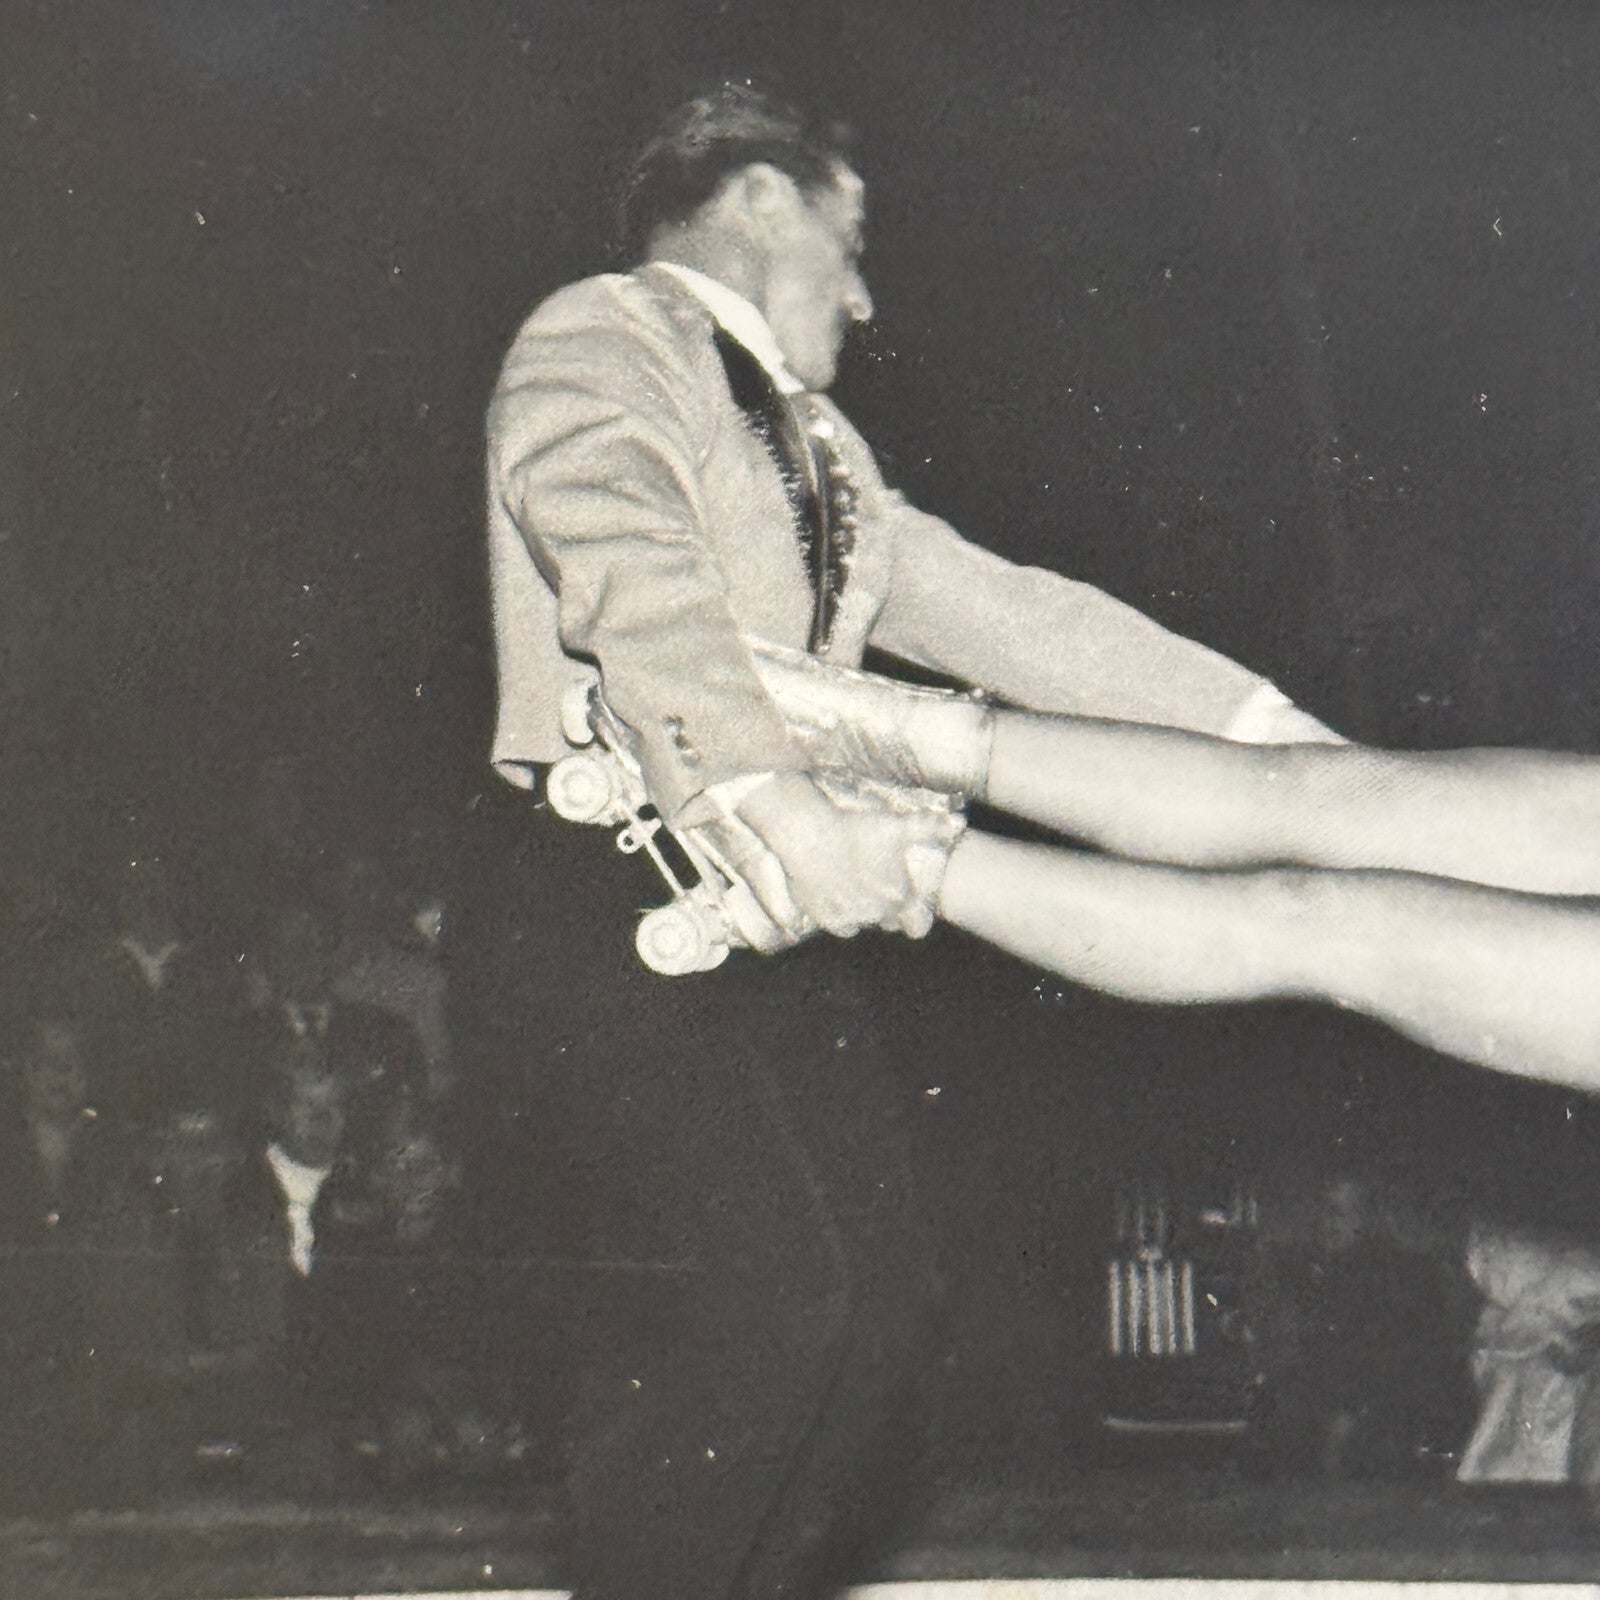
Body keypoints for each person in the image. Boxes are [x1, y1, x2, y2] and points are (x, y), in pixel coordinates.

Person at [486, 84, 1336, 1599]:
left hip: (773, 896)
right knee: (790, 1299)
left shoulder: (822, 452)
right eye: (852, 237)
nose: (869, 295)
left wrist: (1286, 753)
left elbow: (1012, 616)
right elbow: (616, 545)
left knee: (883, 1305)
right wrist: (757, 785)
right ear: (754, 196)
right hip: (629, 874)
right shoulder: (605, 334)